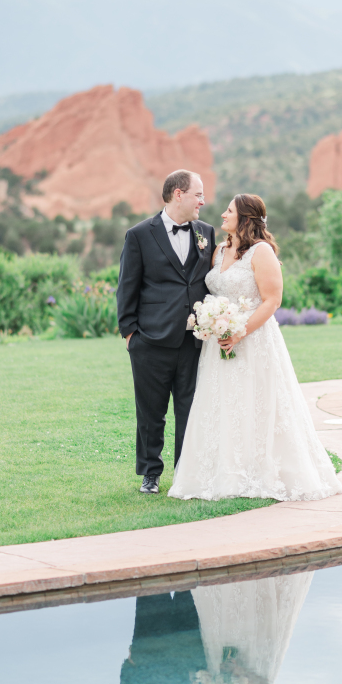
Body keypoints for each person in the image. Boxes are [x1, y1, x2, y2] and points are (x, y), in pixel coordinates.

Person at [168, 193, 342, 502]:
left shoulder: (261, 252)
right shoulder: (220, 250)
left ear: (245, 218)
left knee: (256, 404)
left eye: (229, 211)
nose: (222, 215)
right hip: (217, 344)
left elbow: (273, 301)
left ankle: (260, 473)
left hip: (254, 340)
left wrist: (238, 331)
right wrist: (212, 324)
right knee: (222, 405)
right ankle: (223, 474)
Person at [116, 169, 216, 494]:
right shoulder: (140, 235)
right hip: (150, 341)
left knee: (191, 408)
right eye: (198, 194)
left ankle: (186, 473)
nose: (203, 200)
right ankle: (150, 474)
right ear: (178, 194)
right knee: (150, 411)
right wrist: (131, 335)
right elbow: (126, 287)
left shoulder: (207, 233)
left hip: (193, 341)